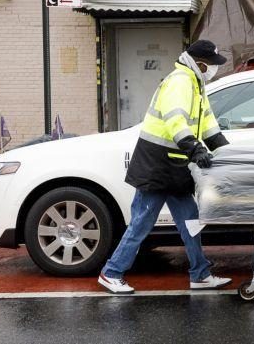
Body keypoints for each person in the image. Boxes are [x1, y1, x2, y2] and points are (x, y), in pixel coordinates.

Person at [98, 40, 232, 294]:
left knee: (191, 221)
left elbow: (207, 123)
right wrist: (195, 148)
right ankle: (111, 273)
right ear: (201, 63)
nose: (214, 69)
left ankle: (200, 274)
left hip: (175, 166)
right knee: (141, 224)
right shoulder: (180, 81)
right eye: (212, 64)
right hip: (156, 166)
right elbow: (174, 120)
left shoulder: (195, 84)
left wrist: (223, 149)